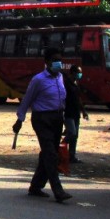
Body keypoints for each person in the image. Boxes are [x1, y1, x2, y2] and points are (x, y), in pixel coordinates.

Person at [12, 47, 72, 203]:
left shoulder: (60, 77)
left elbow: (62, 100)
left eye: (60, 60)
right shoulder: (38, 79)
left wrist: (64, 119)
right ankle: (58, 190)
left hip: (57, 118)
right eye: (54, 60)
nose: (58, 63)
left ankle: (36, 186)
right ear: (47, 62)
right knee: (51, 154)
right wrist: (20, 119)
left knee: (47, 153)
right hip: (42, 119)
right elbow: (27, 99)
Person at [63, 64, 89, 163]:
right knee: (72, 133)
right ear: (72, 73)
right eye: (78, 72)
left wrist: (83, 111)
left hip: (76, 113)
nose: (80, 74)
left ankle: (71, 156)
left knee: (75, 136)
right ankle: (60, 147)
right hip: (68, 112)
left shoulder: (76, 84)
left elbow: (78, 99)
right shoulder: (66, 84)